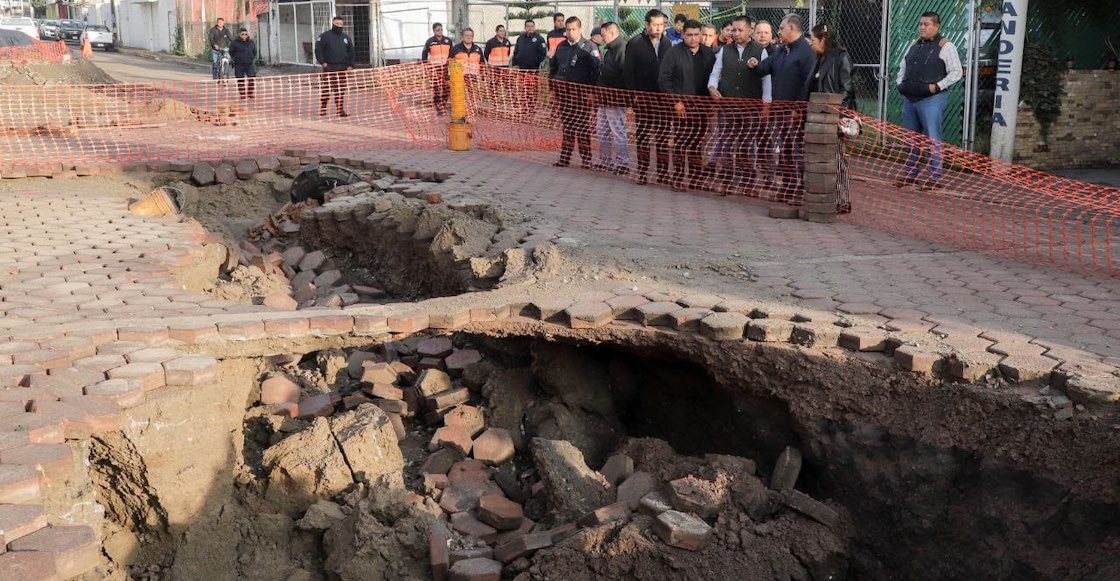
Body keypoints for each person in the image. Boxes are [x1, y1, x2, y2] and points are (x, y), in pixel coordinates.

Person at [747, 14, 815, 201]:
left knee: (794, 149)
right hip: (779, 110)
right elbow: (765, 68)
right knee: (784, 149)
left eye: (781, 28)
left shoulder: (805, 52)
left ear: (792, 28)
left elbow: (807, 84)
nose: (779, 31)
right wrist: (755, 65)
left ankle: (797, 188)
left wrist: (797, 108)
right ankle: (786, 187)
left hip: (794, 111)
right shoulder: (781, 50)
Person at [894, 11, 962, 191]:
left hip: (932, 100)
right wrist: (900, 83)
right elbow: (903, 66)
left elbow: (956, 72)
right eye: (920, 24)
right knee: (911, 139)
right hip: (910, 98)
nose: (922, 27)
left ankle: (935, 177)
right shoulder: (913, 44)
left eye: (926, 24)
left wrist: (937, 86)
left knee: (933, 139)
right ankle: (910, 174)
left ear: (936, 26)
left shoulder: (946, 46)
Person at [707, 15, 766, 195]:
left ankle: (748, 183)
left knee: (746, 146)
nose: (736, 33)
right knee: (725, 144)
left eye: (740, 30)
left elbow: (766, 79)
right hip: (727, 107)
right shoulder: (725, 50)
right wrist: (712, 87)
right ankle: (726, 182)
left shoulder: (760, 50)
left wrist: (767, 104)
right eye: (734, 30)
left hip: (750, 108)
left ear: (750, 31)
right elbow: (715, 73)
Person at [659, 19, 716, 192]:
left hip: (702, 108)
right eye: (689, 35)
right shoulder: (673, 53)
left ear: (701, 35)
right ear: (683, 35)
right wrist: (675, 101)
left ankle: (696, 179)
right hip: (680, 109)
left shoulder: (708, 54)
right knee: (680, 144)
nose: (693, 38)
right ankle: (677, 178)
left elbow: (713, 79)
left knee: (697, 144)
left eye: (696, 35)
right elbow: (664, 79)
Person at [808, 23, 855, 213]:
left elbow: (847, 89)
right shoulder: (818, 58)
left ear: (823, 40)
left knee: (837, 159)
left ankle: (842, 199)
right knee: (821, 158)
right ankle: (823, 196)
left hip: (834, 118)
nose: (811, 44)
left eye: (813, 40)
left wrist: (837, 113)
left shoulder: (841, 57)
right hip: (817, 118)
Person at [623, 9, 672, 185]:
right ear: (647, 25)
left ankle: (663, 173)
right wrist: (633, 94)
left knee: (663, 136)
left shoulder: (667, 43)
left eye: (662, 25)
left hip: (663, 99)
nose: (659, 28)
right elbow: (628, 72)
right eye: (655, 25)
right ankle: (642, 172)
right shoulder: (635, 43)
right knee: (643, 135)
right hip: (642, 97)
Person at [549, 16, 601, 168]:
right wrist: (552, 89)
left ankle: (586, 160)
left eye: (573, 29)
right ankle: (565, 158)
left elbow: (596, 70)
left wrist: (592, 92)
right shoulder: (561, 47)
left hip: (581, 94)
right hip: (564, 93)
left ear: (580, 29)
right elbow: (553, 68)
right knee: (567, 126)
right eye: (568, 29)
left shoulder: (589, 47)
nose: (570, 32)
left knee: (583, 127)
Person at [595, 21, 629, 175]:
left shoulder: (622, 49)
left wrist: (620, 96)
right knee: (601, 131)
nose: (602, 38)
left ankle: (623, 163)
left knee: (618, 131)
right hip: (604, 98)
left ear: (612, 33)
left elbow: (625, 75)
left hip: (615, 99)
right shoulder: (609, 50)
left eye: (604, 35)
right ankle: (605, 161)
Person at [314, 16, 354, 117]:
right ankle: (323, 108)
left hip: (342, 68)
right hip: (329, 67)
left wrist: (350, 65)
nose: (339, 26)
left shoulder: (346, 38)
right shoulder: (324, 36)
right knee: (327, 89)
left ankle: (340, 110)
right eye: (337, 24)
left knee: (340, 90)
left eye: (341, 24)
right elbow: (318, 50)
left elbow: (351, 52)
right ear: (333, 24)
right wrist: (322, 62)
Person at [422, 23, 453, 115]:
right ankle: (438, 107)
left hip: (446, 68)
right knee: (436, 88)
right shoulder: (430, 41)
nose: (440, 31)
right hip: (434, 68)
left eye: (441, 29)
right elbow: (424, 54)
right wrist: (426, 67)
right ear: (434, 31)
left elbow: (452, 53)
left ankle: (443, 104)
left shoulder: (448, 40)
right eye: (437, 30)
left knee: (446, 87)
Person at [229, 27, 257, 100]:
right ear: (239, 34)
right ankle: (242, 94)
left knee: (251, 78)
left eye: (246, 34)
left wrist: (251, 58)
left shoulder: (251, 42)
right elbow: (231, 52)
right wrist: (235, 59)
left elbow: (254, 51)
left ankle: (250, 93)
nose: (244, 35)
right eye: (242, 34)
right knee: (240, 79)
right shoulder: (235, 42)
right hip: (239, 64)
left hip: (249, 63)